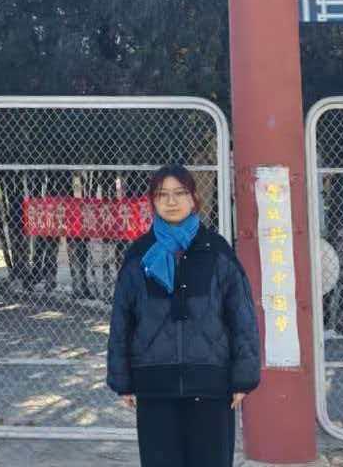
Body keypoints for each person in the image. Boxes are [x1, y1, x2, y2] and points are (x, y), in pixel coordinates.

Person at [107, 165, 261, 467]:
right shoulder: (139, 254)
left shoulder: (217, 251)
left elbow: (241, 317)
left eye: (179, 193)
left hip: (211, 384)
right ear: (153, 201)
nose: (171, 201)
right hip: (155, 385)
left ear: (194, 199)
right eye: (162, 194)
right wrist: (122, 380)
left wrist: (243, 377)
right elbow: (122, 320)